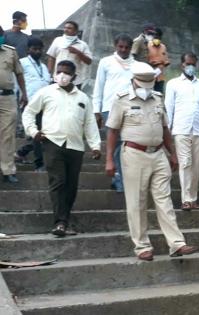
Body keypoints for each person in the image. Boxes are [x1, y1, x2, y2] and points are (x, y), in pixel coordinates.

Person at [105, 61, 198, 261]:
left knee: (164, 199)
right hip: (133, 154)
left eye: (150, 84)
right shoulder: (121, 100)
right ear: (133, 81)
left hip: (158, 154)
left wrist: (171, 153)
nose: (146, 89)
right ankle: (142, 246)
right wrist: (109, 160)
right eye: (142, 84)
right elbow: (112, 131)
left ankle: (176, 243)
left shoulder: (157, 98)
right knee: (136, 201)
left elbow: (164, 128)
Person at [22, 60, 101, 237]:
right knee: (58, 181)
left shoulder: (83, 98)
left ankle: (64, 219)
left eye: (66, 72)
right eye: (59, 72)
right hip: (52, 143)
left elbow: (89, 123)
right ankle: (60, 222)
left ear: (74, 76)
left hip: (75, 146)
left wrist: (95, 146)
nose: (62, 75)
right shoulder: (46, 92)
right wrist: (33, 131)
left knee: (71, 186)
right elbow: (29, 112)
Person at [165, 52, 199, 210]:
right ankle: (186, 199)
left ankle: (193, 199)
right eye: (188, 64)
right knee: (185, 163)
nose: (191, 67)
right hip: (181, 129)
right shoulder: (173, 84)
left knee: (196, 165)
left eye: (193, 64)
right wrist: (167, 128)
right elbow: (169, 107)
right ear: (182, 65)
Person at [93, 33, 135, 192]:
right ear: (115, 46)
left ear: (131, 48)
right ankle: (121, 182)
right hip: (109, 108)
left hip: (130, 108)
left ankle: (121, 178)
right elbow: (99, 85)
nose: (123, 50)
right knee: (116, 144)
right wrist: (96, 110)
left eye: (126, 47)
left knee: (127, 144)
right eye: (121, 47)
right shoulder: (106, 62)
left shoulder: (136, 65)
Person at [15, 37, 51, 172]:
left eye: (39, 49)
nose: (37, 51)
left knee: (44, 133)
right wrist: (18, 98)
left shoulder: (43, 66)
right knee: (37, 134)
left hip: (45, 104)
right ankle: (39, 164)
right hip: (29, 103)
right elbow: (16, 82)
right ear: (28, 50)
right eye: (34, 49)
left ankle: (21, 153)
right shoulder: (22, 63)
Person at [0, 25, 28, 183]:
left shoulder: (11, 51)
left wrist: (24, 93)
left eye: (0, 34)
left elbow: (19, 74)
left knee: (7, 136)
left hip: (7, 98)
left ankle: (8, 170)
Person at [47, 21, 92, 90]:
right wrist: (49, 74)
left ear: (76, 31)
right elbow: (51, 57)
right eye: (65, 28)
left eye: (69, 28)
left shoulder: (82, 44)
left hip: (75, 81)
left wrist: (78, 52)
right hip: (58, 78)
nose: (66, 30)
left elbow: (89, 61)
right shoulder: (58, 40)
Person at [147, 28, 170, 93]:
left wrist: (161, 66)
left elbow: (166, 61)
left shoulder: (163, 47)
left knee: (158, 95)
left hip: (160, 76)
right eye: (154, 35)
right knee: (148, 94)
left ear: (160, 37)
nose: (156, 37)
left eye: (158, 36)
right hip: (149, 74)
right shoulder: (147, 45)